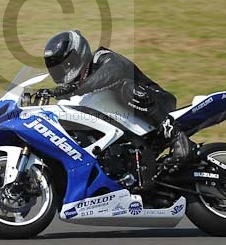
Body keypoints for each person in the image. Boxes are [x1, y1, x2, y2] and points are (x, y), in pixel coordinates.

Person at [38, 30, 191, 161]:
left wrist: (75, 87)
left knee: (125, 87)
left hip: (158, 102)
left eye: (63, 65)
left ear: (77, 55)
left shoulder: (101, 57)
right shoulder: (76, 90)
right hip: (127, 128)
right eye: (55, 68)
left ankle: (176, 136)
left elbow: (114, 72)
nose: (61, 71)